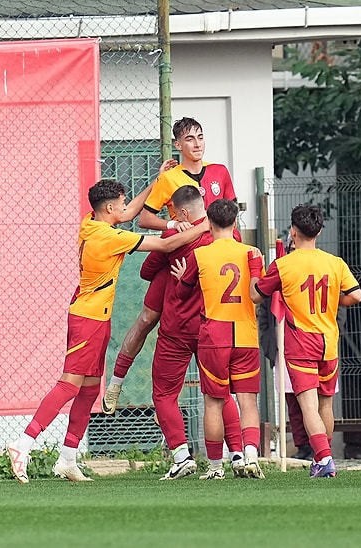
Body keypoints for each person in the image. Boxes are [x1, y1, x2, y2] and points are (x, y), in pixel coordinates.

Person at [6, 179, 209, 483]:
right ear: (110, 208)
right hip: (87, 319)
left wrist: (154, 184)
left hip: (97, 318)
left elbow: (126, 215)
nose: (126, 209)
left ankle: (68, 458)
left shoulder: (91, 222)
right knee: (69, 385)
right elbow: (166, 245)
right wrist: (204, 227)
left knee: (89, 391)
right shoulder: (109, 237)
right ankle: (23, 444)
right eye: (122, 203)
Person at [102, 117, 237, 414]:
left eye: (200, 137)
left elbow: (231, 215)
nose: (197, 144)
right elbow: (145, 219)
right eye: (189, 139)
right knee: (148, 317)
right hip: (177, 255)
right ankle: (115, 381)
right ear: (178, 145)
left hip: (212, 262)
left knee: (218, 325)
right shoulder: (170, 178)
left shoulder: (219, 173)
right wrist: (174, 223)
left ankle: (232, 427)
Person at [250, 205, 361, 478]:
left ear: (293, 231)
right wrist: (334, 301)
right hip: (329, 341)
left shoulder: (284, 265)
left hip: (301, 341)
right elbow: (356, 295)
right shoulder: (335, 262)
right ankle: (324, 457)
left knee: (308, 405)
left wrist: (255, 267)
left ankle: (323, 459)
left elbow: (257, 295)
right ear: (319, 231)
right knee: (325, 404)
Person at [140, 186, 245, 480]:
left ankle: (182, 456)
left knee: (164, 394)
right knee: (221, 394)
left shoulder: (173, 237)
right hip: (215, 327)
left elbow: (147, 271)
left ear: (184, 213)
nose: (171, 219)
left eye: (173, 214)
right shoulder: (231, 238)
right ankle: (237, 455)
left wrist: (171, 257)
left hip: (176, 328)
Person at [172, 199, 264, 480]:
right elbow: (257, 293)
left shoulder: (200, 256)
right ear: (235, 223)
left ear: (209, 224)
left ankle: (215, 467)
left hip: (215, 335)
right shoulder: (252, 253)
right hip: (246, 334)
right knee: (248, 401)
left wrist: (180, 278)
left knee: (213, 402)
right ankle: (250, 458)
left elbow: (182, 293)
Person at [257, 236, 314, 461]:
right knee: (291, 399)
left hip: (313, 343)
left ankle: (319, 446)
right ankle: (302, 446)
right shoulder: (278, 273)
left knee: (317, 399)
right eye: (290, 248)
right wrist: (269, 344)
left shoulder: (320, 267)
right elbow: (264, 309)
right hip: (284, 347)